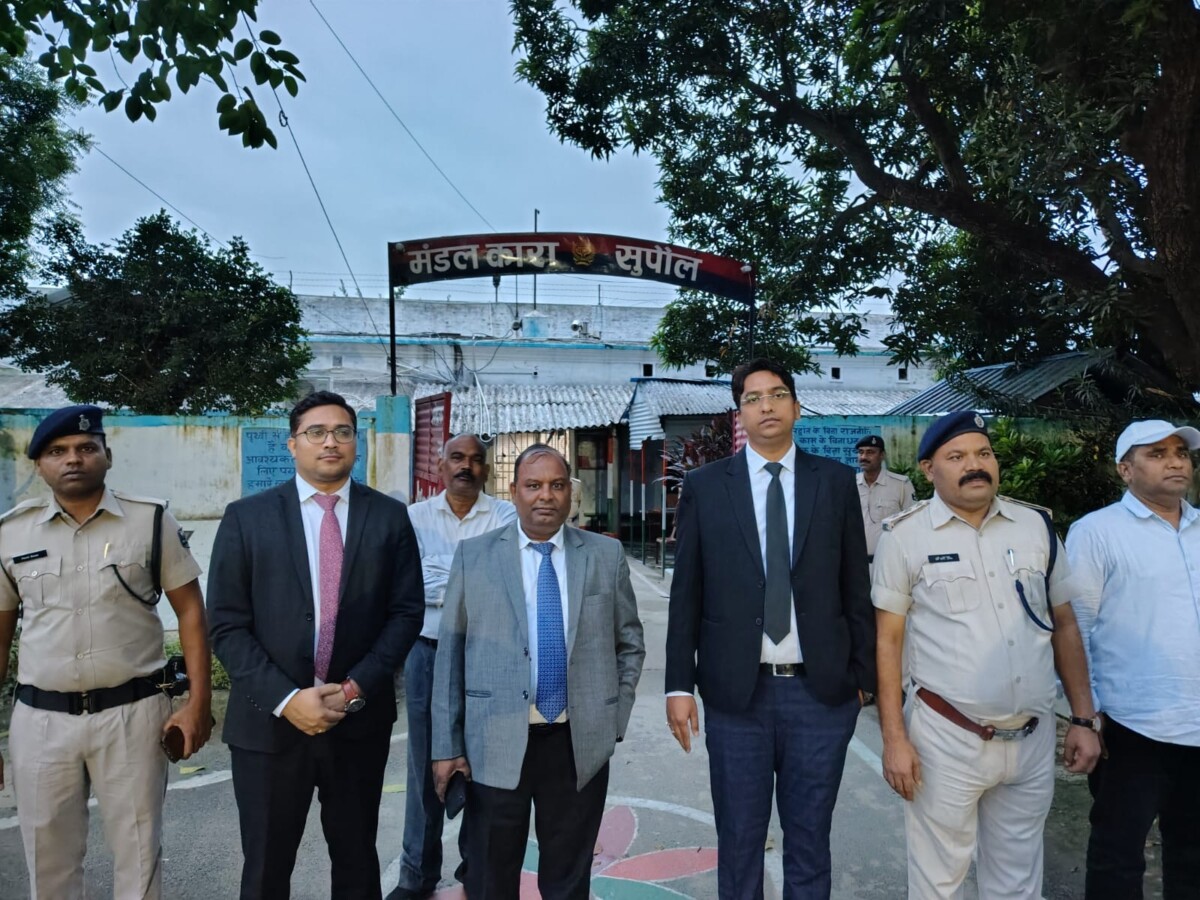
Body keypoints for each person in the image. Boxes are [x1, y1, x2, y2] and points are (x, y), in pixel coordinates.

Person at [665, 357, 876, 899]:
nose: (767, 406)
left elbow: (856, 586)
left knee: (810, 839)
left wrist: (863, 678)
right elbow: (687, 593)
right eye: (753, 398)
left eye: (778, 395)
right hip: (738, 696)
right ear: (740, 413)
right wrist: (678, 685)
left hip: (820, 695)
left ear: (796, 407)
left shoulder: (834, 483)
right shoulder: (706, 486)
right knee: (739, 840)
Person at [872, 411, 1102, 899]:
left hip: (1032, 738)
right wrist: (894, 738)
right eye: (957, 457)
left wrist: (1083, 717)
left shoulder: (1035, 526)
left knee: (1018, 880)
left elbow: (1064, 624)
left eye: (983, 453)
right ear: (928, 469)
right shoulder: (904, 536)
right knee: (939, 883)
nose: (974, 465)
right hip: (946, 738)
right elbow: (887, 642)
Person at [207, 390, 424, 900]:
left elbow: (405, 613)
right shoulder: (247, 517)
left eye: (343, 432)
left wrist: (353, 688)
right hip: (268, 725)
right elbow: (226, 625)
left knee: (356, 861)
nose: (331, 442)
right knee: (265, 867)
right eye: (317, 432)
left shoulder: (389, 517)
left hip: (357, 722)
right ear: (292, 444)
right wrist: (288, 700)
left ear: (356, 443)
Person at [0, 404, 212, 900]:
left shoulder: (150, 520)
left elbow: (191, 613)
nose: (73, 459)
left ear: (107, 456)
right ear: (39, 465)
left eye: (86, 447)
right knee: (47, 860)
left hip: (132, 715)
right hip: (41, 722)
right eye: (57, 451)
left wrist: (197, 704)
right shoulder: (10, 533)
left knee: (139, 857)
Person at [431, 443, 645, 899]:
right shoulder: (475, 556)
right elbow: (450, 657)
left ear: (571, 493)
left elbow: (629, 643)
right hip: (494, 741)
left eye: (557, 485)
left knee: (568, 880)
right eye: (533, 485)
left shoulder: (604, 556)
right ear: (513, 492)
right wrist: (446, 746)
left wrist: (612, 717)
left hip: (577, 742)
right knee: (491, 877)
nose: (545, 495)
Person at [1065, 419, 1200, 899]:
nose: (1175, 462)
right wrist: (1084, 717)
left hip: (1197, 725)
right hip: (1130, 726)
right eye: (1157, 454)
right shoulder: (1097, 532)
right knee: (1118, 856)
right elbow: (1074, 629)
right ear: (1125, 469)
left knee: (1193, 857)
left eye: (1180, 453)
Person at [387, 434, 516, 900]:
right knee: (425, 762)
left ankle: (474, 872)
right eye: (457, 458)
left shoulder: (505, 516)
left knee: (483, 763)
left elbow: (502, 583)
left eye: (476, 460)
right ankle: (416, 875)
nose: (466, 466)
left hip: (488, 652)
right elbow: (408, 584)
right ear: (440, 466)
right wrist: (465, 575)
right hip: (426, 651)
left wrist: (442, 574)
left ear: (487, 470)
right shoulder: (414, 518)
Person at [855, 434, 915, 564]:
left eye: (870, 452)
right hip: (856, 563)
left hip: (890, 562)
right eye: (860, 452)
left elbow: (913, 522)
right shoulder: (850, 484)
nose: (863, 457)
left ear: (882, 455)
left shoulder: (901, 484)